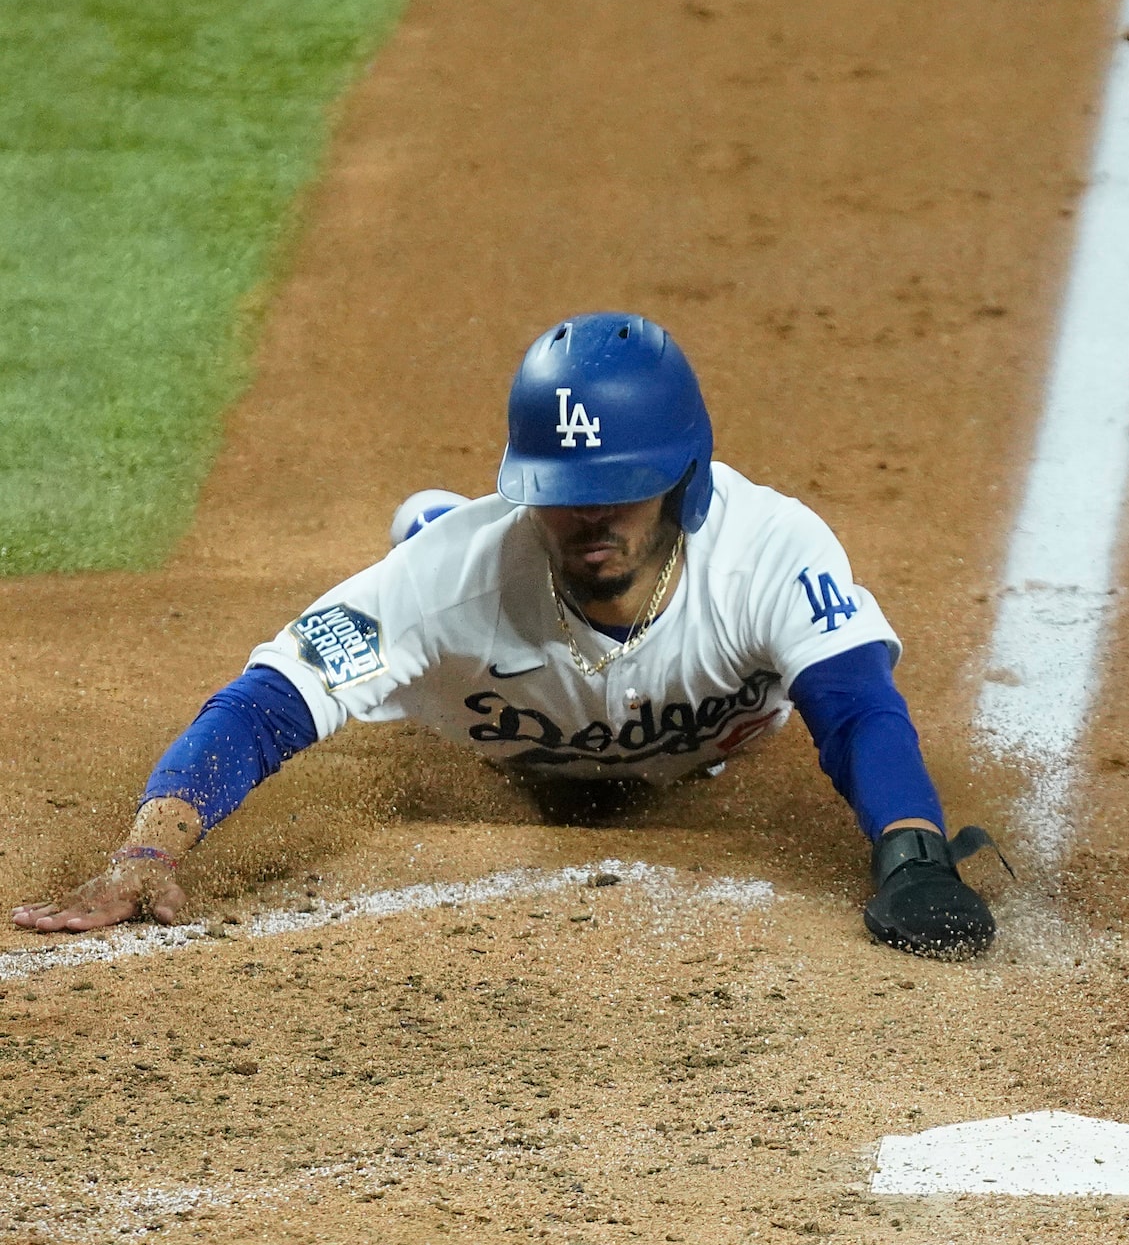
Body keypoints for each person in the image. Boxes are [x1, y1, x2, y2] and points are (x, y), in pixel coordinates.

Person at [12, 312, 996, 957]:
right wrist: (150, 853)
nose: (592, 521)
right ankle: (432, 520)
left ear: (684, 477)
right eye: (563, 497)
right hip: (519, 746)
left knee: (700, 752)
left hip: (704, 753)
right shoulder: (451, 588)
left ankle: (438, 517)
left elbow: (859, 706)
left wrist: (913, 855)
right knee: (436, 568)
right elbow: (266, 702)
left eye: (619, 491)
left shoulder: (769, 552)